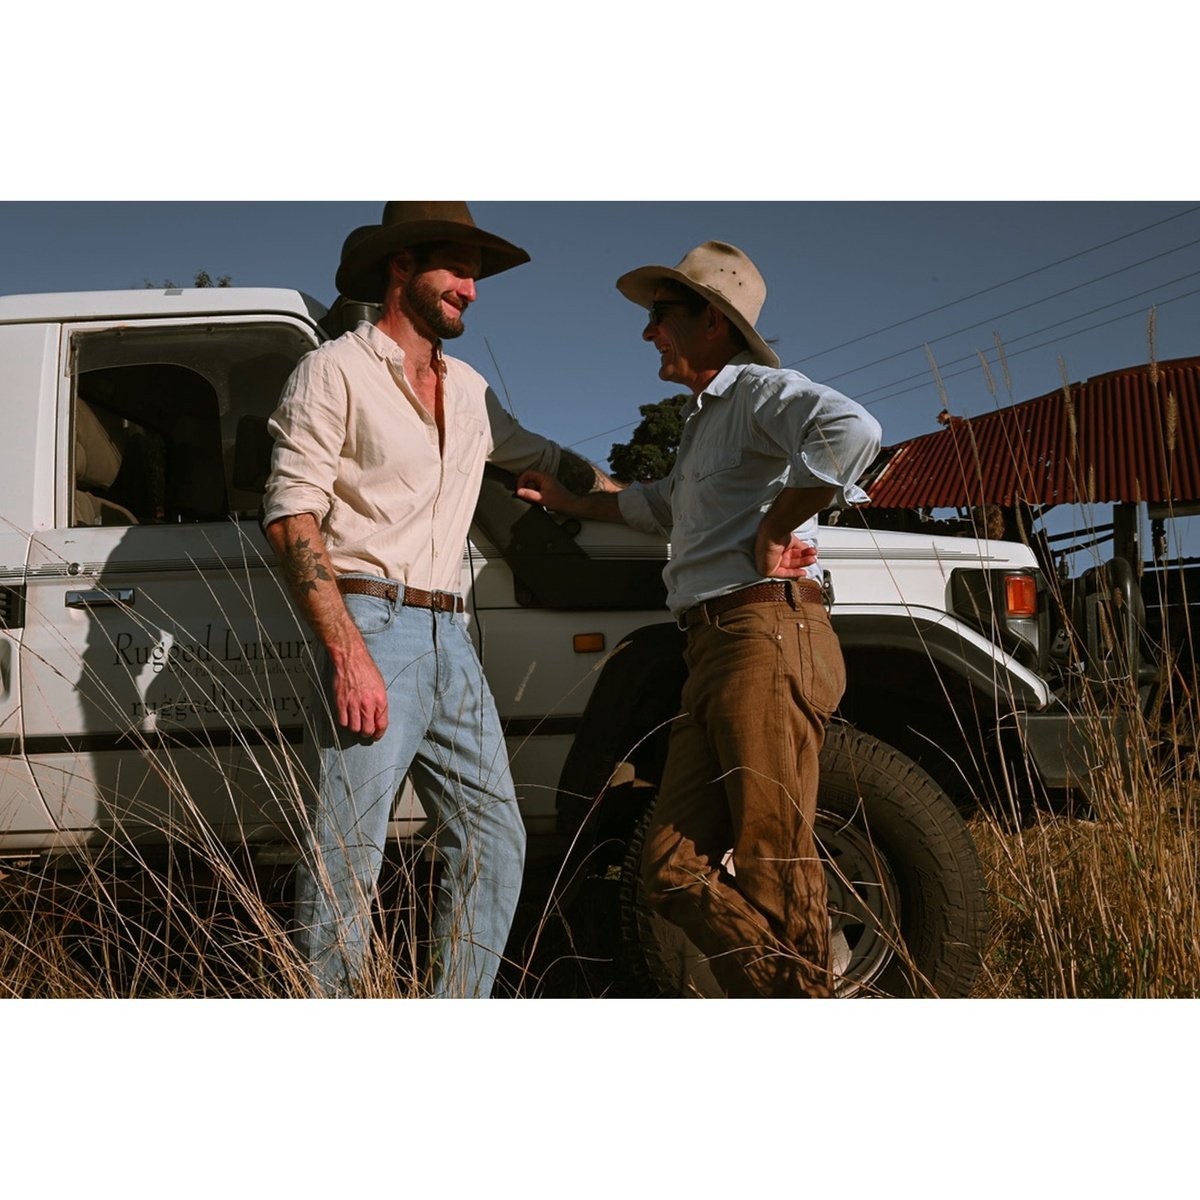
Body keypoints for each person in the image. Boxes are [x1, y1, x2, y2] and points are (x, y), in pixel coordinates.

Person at [263, 202, 613, 998]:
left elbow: (548, 460)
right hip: (372, 624)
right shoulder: (335, 371)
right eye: (456, 269)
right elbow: (291, 519)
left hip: (452, 636)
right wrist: (348, 653)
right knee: (347, 851)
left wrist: (657, 501)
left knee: (496, 837)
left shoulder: (473, 392)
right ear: (400, 268)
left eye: (477, 275)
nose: (472, 290)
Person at [517, 241, 882, 997]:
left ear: (709, 322)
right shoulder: (703, 425)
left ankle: (795, 1004)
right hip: (713, 648)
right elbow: (653, 507)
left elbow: (854, 432)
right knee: (670, 870)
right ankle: (795, 995)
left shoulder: (757, 392)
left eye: (659, 315)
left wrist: (779, 525)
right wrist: (565, 501)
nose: (647, 332)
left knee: (772, 857)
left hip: (765, 635)